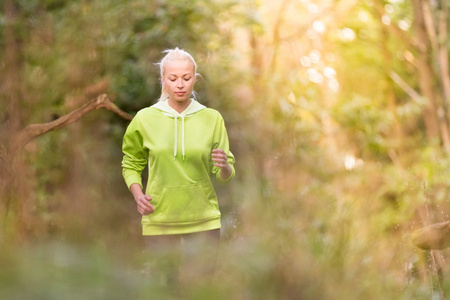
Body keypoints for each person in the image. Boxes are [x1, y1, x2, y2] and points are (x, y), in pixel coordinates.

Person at [121, 48, 235, 283]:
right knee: (164, 291)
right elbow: (131, 163)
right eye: (173, 79)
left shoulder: (212, 118)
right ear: (163, 79)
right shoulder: (145, 119)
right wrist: (137, 194)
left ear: (195, 78)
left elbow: (225, 173)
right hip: (159, 220)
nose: (180, 84)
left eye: (186, 78)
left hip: (204, 220)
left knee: (200, 291)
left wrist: (224, 166)